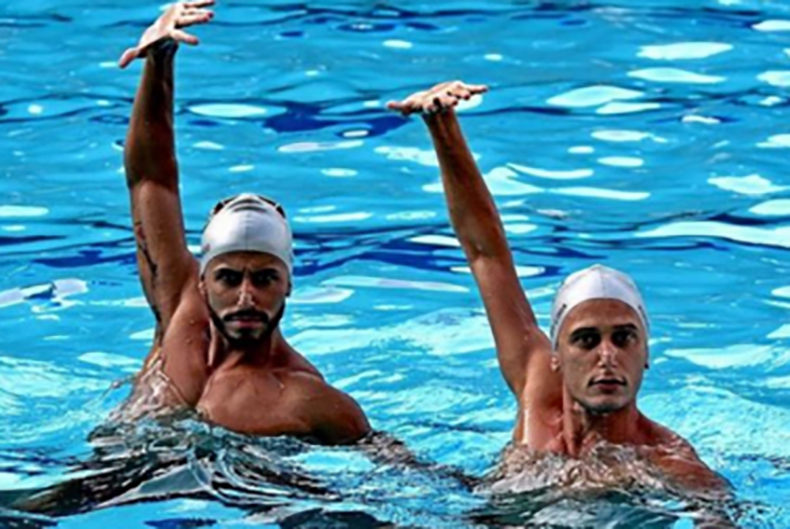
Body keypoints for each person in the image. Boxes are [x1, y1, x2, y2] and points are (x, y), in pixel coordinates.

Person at [387, 82, 730, 496]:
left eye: (623, 338)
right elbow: (485, 254)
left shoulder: (671, 464)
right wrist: (441, 124)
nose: (607, 356)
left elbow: (721, 516)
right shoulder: (535, 382)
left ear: (647, 355)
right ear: (555, 356)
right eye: (586, 340)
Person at [114, 0, 369, 445]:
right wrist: (158, 63)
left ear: (289, 284)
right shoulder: (178, 308)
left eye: (265, 278)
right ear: (202, 282)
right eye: (229, 278)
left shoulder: (306, 398)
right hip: (114, 471)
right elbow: (151, 181)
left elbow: (395, 465)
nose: (246, 297)